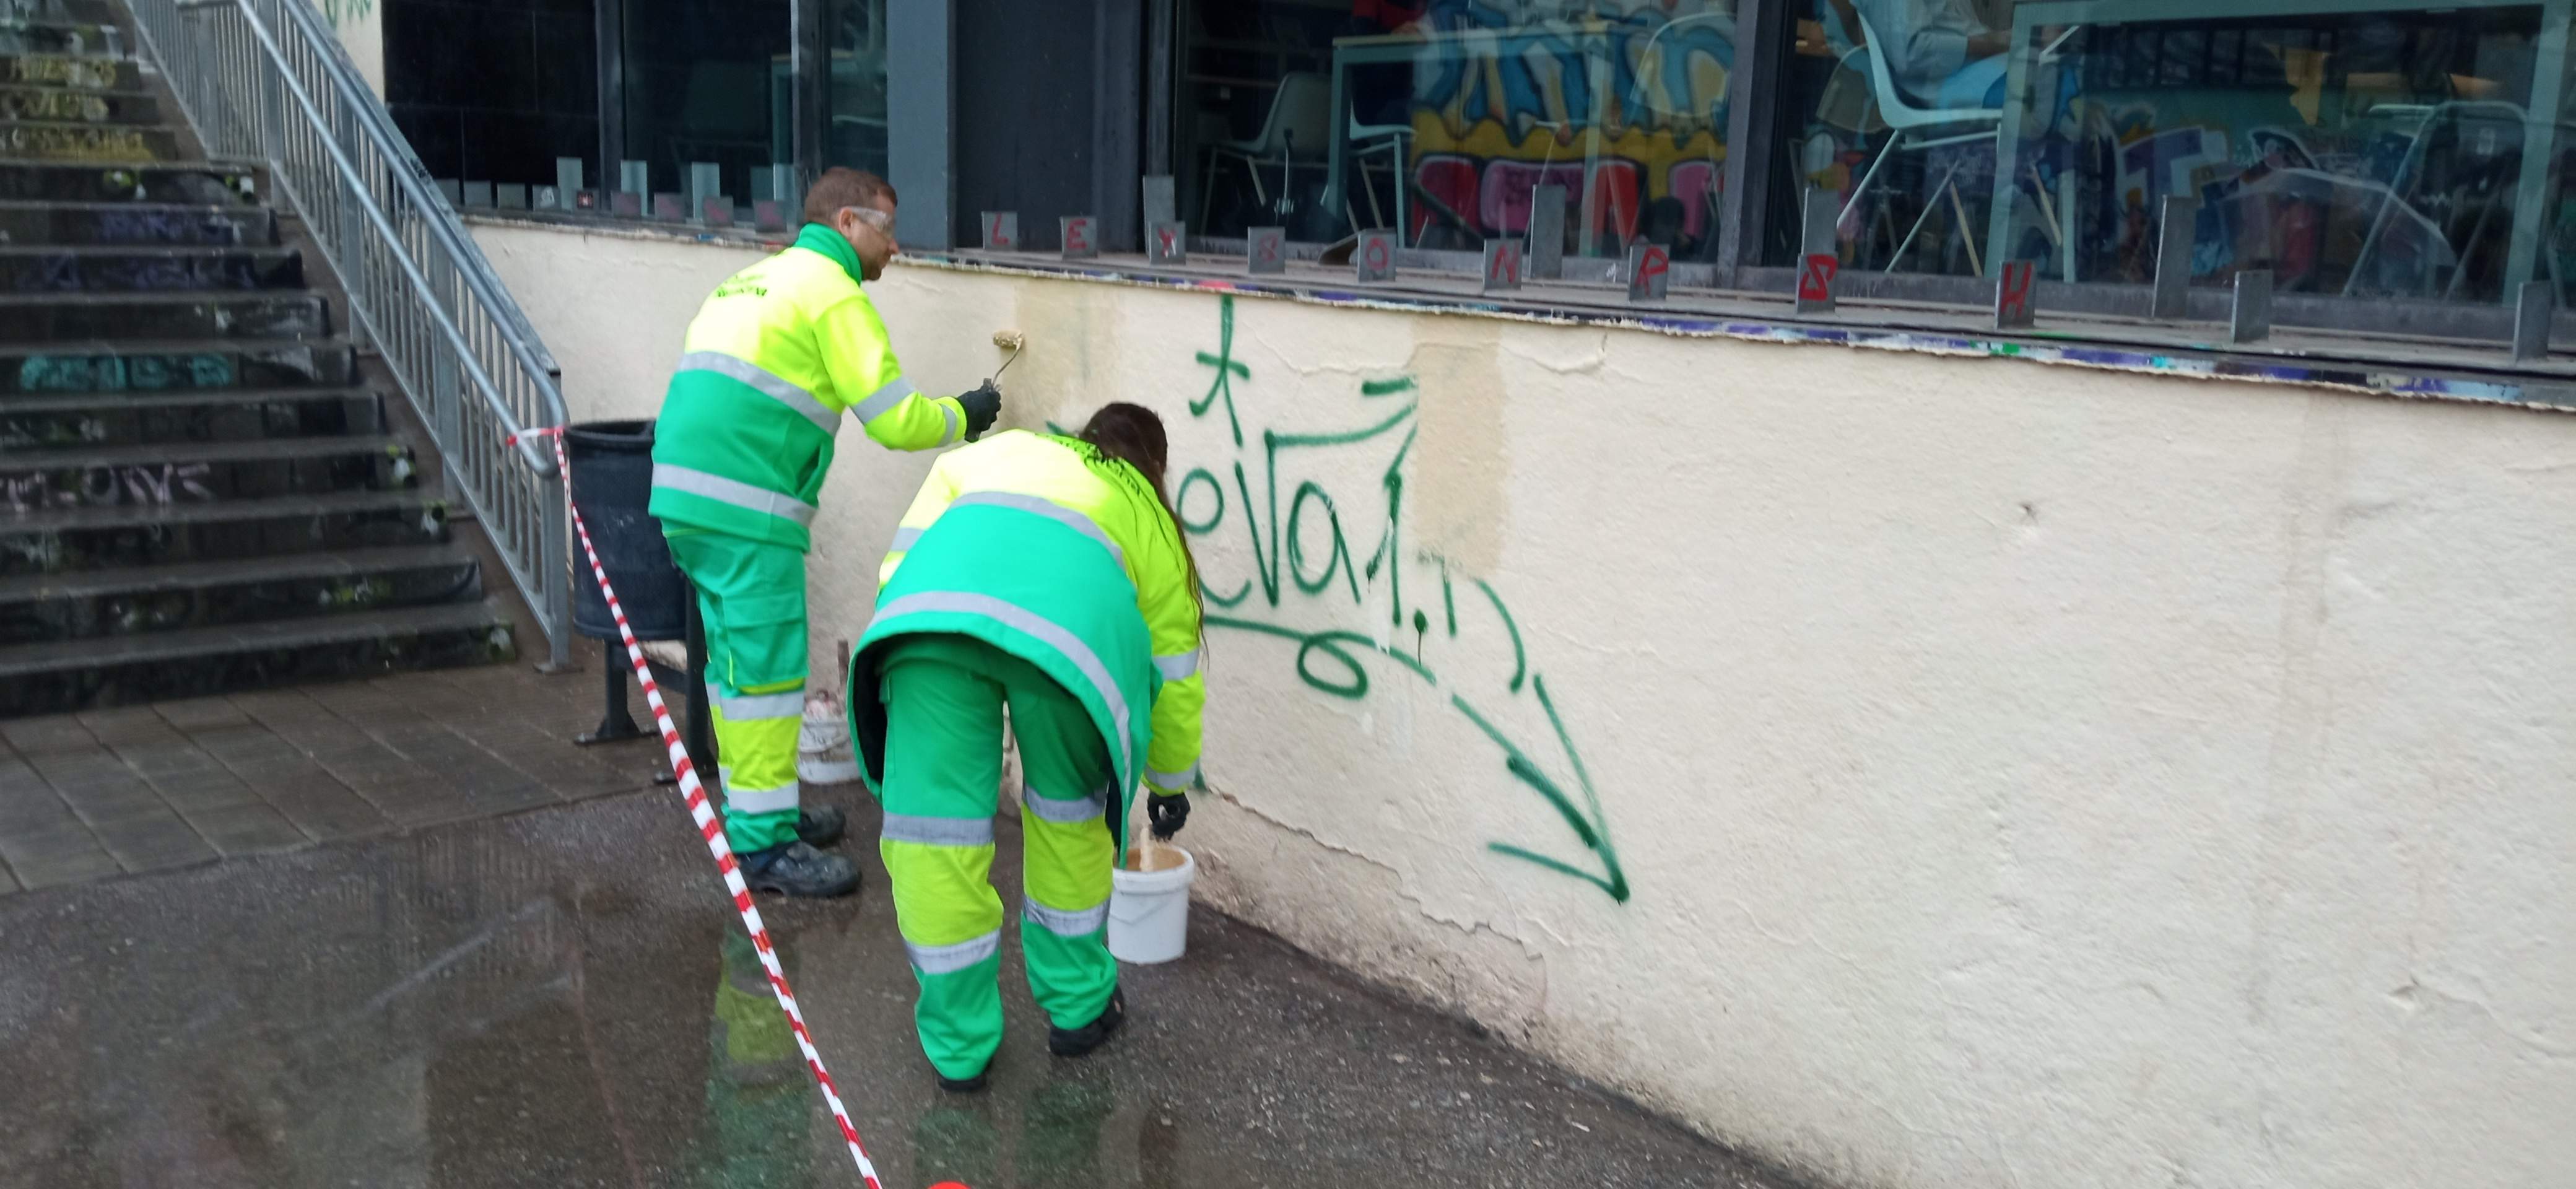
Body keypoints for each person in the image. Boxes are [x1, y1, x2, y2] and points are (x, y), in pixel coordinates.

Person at [650, 167, 1002, 899]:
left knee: (737, 673)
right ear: (847, 224)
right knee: (768, 678)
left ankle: (763, 812)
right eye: (887, 229)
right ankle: (762, 849)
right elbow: (897, 419)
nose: (895, 248)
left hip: (688, 501)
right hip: (748, 513)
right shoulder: (832, 294)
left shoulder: (754, 281)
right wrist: (965, 414)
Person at [846, 404, 1206, 1091]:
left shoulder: (988, 456)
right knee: (1069, 821)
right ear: (1151, 465)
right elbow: (1174, 668)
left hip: (929, 628)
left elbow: (901, 565)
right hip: (1069, 650)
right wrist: (1167, 781)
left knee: (933, 840)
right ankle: (1079, 1010)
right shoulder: (1140, 503)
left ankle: (957, 1048)